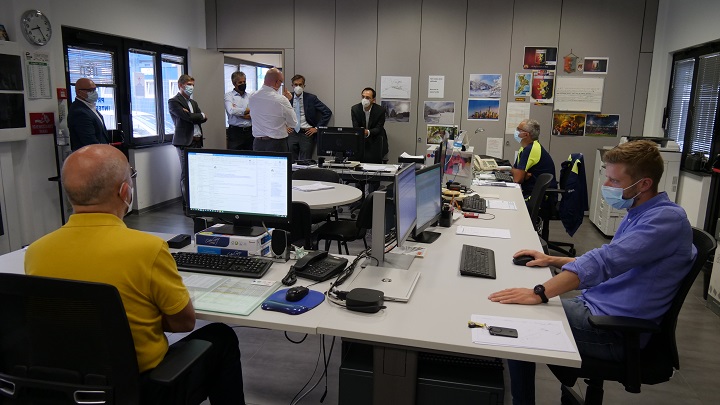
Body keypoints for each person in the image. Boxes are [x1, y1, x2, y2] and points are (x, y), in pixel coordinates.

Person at [24, 145, 245, 405]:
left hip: (71, 389)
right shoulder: (147, 249)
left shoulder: (36, 252)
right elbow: (184, 323)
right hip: (143, 390)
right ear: (125, 191)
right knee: (222, 337)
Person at [488, 140, 696, 405]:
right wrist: (551, 259)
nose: (606, 185)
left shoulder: (665, 220)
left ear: (644, 184)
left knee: (517, 319)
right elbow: (612, 260)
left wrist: (538, 292)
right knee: (518, 309)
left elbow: (604, 263)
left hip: (614, 331)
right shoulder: (641, 211)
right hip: (596, 308)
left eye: (614, 181)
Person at [169, 74, 207, 209]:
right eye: (189, 85)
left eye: (193, 85)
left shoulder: (193, 103)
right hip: (185, 142)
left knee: (197, 172)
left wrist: (198, 115)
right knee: (186, 174)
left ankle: (197, 202)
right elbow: (188, 118)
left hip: (197, 141)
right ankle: (187, 205)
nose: (191, 87)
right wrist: (198, 115)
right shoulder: (174, 101)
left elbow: (203, 118)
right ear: (180, 85)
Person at [248, 67, 297, 152]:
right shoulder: (281, 100)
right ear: (277, 82)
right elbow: (293, 122)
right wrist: (287, 101)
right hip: (276, 144)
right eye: (281, 82)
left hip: (258, 143)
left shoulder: (252, 96)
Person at [287, 74, 332, 162]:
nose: (298, 87)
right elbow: (279, 114)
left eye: (300, 84)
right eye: (296, 84)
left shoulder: (311, 98)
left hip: (306, 133)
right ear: (292, 85)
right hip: (292, 133)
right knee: (290, 162)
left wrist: (317, 128)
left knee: (305, 162)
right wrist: (284, 126)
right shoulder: (287, 98)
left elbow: (327, 112)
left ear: (304, 86)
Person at [511, 118, 557, 201]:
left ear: (526, 135)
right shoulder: (524, 148)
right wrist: (524, 175)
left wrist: (520, 175)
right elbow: (514, 171)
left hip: (539, 198)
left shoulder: (531, 149)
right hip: (530, 192)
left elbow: (517, 179)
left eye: (518, 129)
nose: (516, 131)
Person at [68, 77, 109, 151]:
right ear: (79, 92)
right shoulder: (79, 112)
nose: (94, 92)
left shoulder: (89, 106)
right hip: (90, 154)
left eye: (95, 89)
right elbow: (90, 141)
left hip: (100, 151)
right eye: (90, 90)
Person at [351, 87, 388, 164]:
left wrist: (368, 132)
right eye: (363, 97)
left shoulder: (380, 110)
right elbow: (356, 127)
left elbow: (379, 128)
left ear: (373, 100)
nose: (364, 99)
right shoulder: (355, 109)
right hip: (361, 140)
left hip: (376, 139)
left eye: (367, 98)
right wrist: (361, 132)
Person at [224, 71, 253, 150]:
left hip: (250, 132)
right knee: (235, 155)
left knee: (250, 155)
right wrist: (245, 111)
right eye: (240, 82)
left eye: (244, 82)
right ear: (234, 83)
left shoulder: (250, 96)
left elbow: (254, 112)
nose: (243, 84)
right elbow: (231, 110)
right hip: (235, 132)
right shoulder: (229, 96)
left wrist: (238, 112)